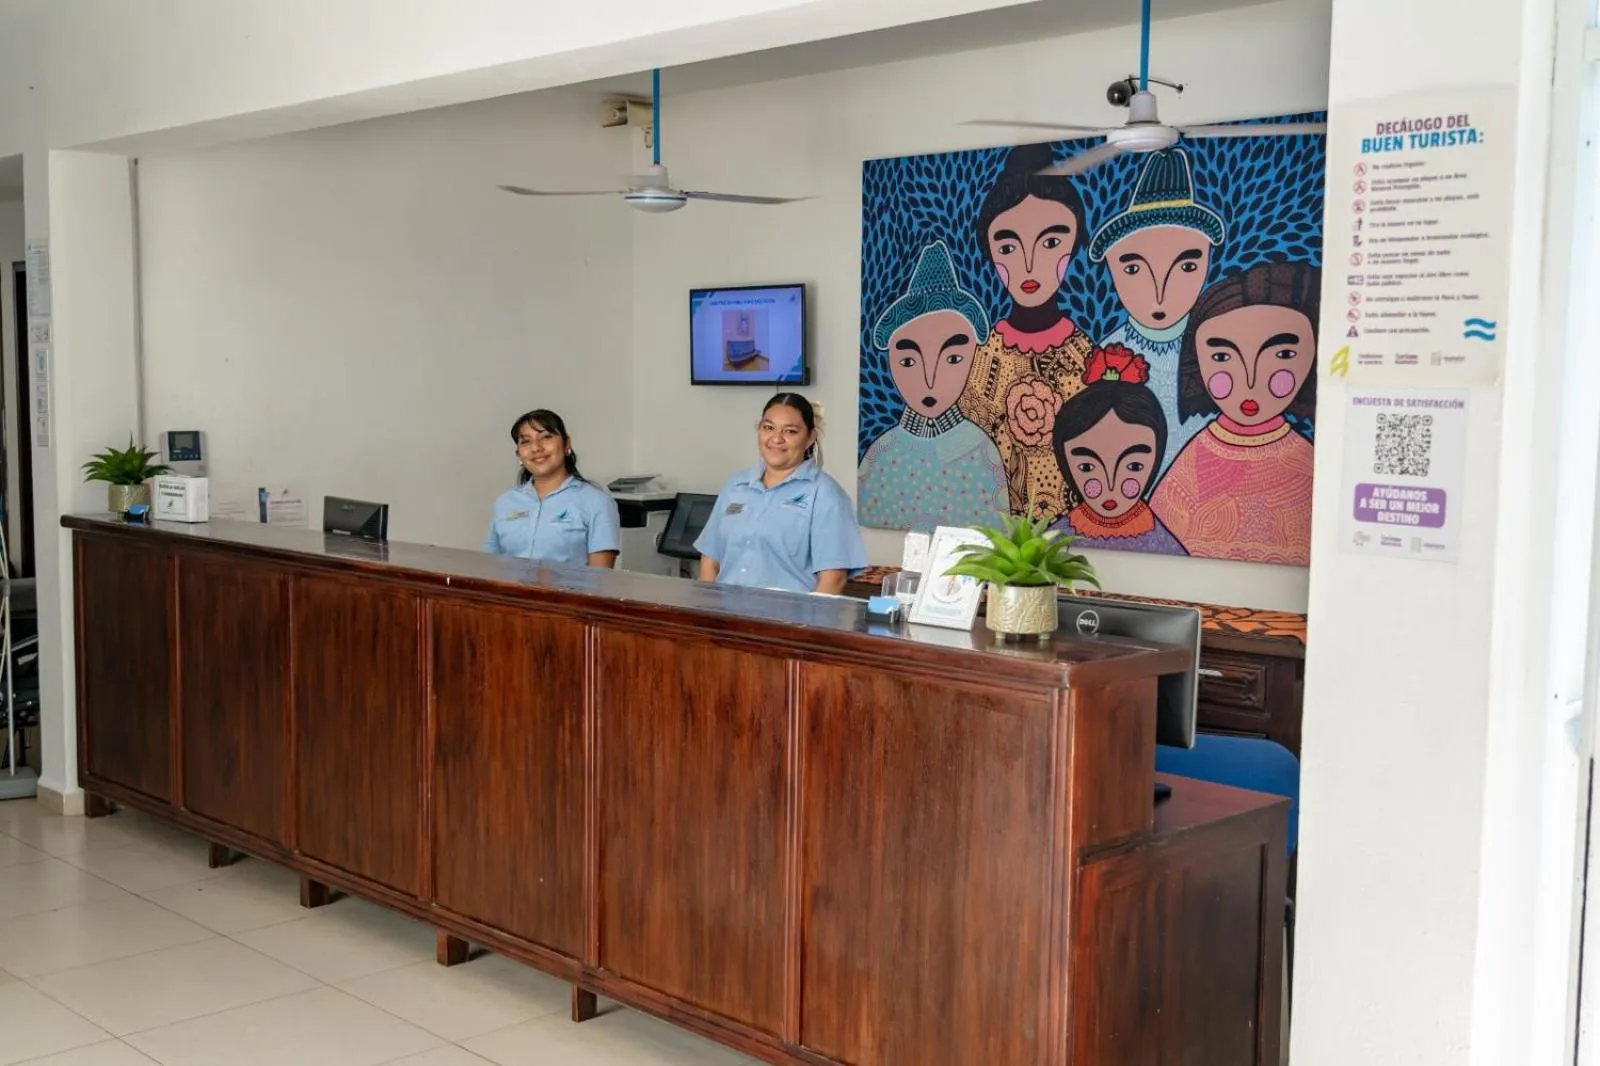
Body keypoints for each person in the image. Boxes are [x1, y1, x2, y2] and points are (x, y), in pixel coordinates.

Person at [958, 142, 1095, 524]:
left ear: (1074, 242)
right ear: (989, 250)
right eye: (1008, 245)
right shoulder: (982, 358)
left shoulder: (1087, 359)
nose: (1030, 264)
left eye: (1051, 242)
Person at [1150, 262, 1319, 566]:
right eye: (1222, 356)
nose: (1250, 380)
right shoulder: (1193, 460)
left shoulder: (1306, 463)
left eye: (1281, 354)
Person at [1088, 148, 1227, 475]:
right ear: (1111, 264)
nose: (1159, 294)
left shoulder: (1217, 349)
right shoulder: (1107, 355)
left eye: (1188, 265)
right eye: (1133, 269)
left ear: (1207, 261)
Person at [857, 239, 1008, 532]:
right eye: (909, 361)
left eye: (952, 358)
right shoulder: (881, 454)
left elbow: (999, 536)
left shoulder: (982, 452)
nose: (929, 380)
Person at [696, 393, 868, 595]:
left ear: (810, 438)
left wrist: (803, 626)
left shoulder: (824, 493)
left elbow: (833, 579)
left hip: (787, 622)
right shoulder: (736, 485)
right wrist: (707, 613)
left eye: (790, 431)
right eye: (768, 428)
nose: (776, 439)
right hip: (726, 620)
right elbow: (710, 559)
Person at [1049, 346, 1186, 555]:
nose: (1110, 486)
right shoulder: (1056, 538)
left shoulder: (1163, 542)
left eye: (1134, 466)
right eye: (1087, 467)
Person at [483, 409, 621, 568]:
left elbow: (601, 578)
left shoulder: (597, 502)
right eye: (526, 441)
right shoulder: (505, 502)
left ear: (566, 443)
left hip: (568, 593)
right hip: (510, 593)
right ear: (519, 454)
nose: (536, 448)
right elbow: (490, 567)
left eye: (546, 437)